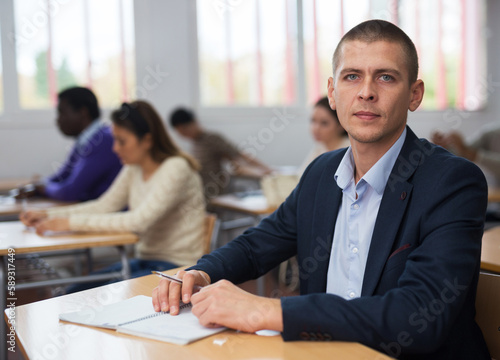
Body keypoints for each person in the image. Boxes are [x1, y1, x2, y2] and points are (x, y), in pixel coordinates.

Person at [153, 19, 490, 359]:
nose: (366, 92)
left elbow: (418, 317)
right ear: (332, 92)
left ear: (414, 95)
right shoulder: (321, 173)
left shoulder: (452, 182)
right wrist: (202, 271)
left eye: (386, 77)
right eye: (352, 76)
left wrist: (268, 312)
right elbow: (258, 245)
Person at [20, 100, 206, 292]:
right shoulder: (134, 167)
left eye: (122, 141)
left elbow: (138, 221)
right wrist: (48, 215)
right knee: (74, 291)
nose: (115, 148)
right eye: (115, 139)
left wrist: (68, 223)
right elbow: (104, 205)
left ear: (148, 140)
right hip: (146, 261)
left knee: (98, 296)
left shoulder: (176, 167)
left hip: (178, 267)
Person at [26, 87, 122, 202]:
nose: (58, 120)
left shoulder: (103, 141)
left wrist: (44, 188)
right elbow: (62, 175)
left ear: (83, 112)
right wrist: (39, 184)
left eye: (62, 113)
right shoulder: (86, 140)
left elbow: (71, 192)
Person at [169, 107, 272, 198]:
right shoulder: (195, 143)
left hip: (212, 192)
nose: (183, 134)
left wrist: (266, 169)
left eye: (184, 129)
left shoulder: (212, 139)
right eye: (180, 132)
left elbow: (239, 155)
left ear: (194, 122)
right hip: (200, 191)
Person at [431, 124, 500, 186]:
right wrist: (445, 147)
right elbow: (464, 154)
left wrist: (471, 154)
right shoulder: (491, 134)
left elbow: (468, 153)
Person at [297, 96, 350, 174]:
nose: (316, 128)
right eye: (313, 121)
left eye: (324, 123)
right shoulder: (320, 147)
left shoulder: (349, 151)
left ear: (341, 124)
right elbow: (301, 175)